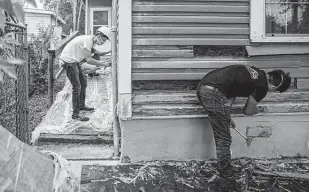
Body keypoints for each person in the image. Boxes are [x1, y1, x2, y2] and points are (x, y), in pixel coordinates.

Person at [196, 65, 291, 191]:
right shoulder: (262, 87)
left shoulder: (256, 72)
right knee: (223, 138)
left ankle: (225, 171)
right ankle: (225, 174)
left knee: (223, 129)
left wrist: (227, 116)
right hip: (213, 92)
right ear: (274, 87)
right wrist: (256, 110)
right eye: (275, 91)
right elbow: (247, 111)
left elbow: (231, 90)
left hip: (204, 87)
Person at [59, 26, 112, 121]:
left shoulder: (90, 40)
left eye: (105, 41)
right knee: (77, 87)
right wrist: (104, 64)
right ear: (99, 35)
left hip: (74, 61)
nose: (103, 42)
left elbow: (98, 53)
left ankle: (81, 105)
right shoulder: (88, 41)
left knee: (83, 82)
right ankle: (75, 115)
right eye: (103, 39)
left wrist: (111, 51)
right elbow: (89, 60)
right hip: (69, 61)